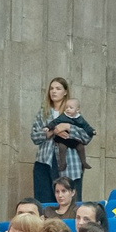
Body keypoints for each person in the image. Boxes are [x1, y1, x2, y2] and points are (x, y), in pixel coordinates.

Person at [31, 77, 91, 205]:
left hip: (70, 164)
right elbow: (34, 137)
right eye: (51, 88)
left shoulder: (73, 113)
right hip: (44, 162)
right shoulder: (43, 113)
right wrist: (53, 131)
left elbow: (87, 136)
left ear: (65, 92)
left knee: (70, 204)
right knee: (44, 203)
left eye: (58, 88)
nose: (54, 91)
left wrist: (69, 127)